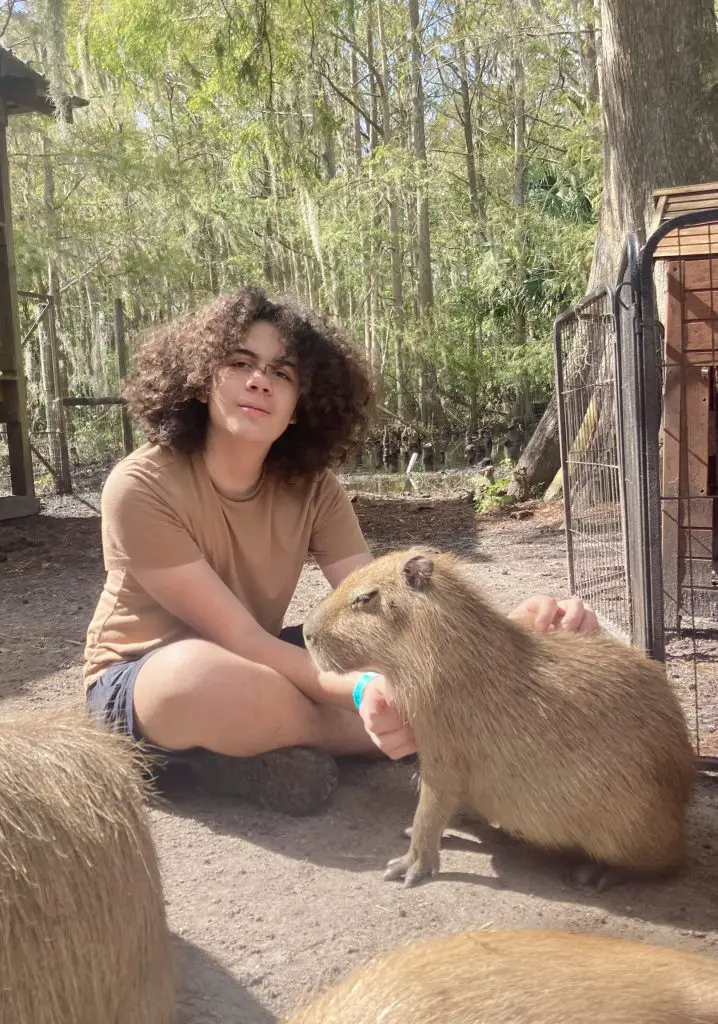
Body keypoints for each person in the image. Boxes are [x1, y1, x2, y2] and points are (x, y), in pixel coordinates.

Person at [83, 287, 598, 815]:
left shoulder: (314, 488)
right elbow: (234, 637)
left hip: (260, 660)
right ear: (199, 378)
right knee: (196, 678)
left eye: (282, 373)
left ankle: (250, 750)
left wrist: (504, 637)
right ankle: (384, 729)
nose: (260, 379)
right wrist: (363, 692)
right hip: (140, 683)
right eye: (240, 363)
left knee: (370, 652)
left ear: (302, 406)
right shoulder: (139, 485)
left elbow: (382, 604)